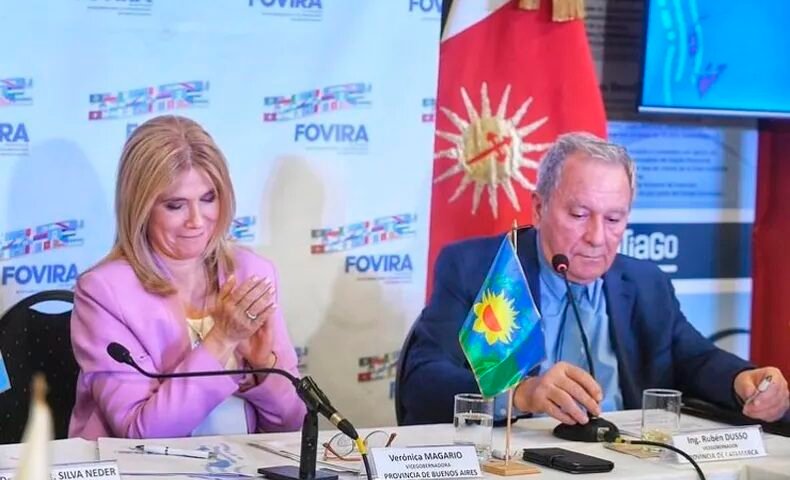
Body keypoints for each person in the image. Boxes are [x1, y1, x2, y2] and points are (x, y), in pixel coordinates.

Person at [401, 132, 789, 426]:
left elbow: (695, 359)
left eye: (614, 219)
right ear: (539, 208)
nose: (597, 237)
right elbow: (422, 382)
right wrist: (520, 394)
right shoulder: (482, 268)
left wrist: (743, 380)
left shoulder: (644, 283)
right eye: (579, 215)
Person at [69, 115, 305, 439]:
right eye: (175, 205)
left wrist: (264, 367)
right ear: (141, 208)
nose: (196, 220)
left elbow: (292, 425)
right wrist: (221, 339)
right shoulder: (103, 292)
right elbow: (140, 434)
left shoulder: (253, 272)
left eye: (208, 199)